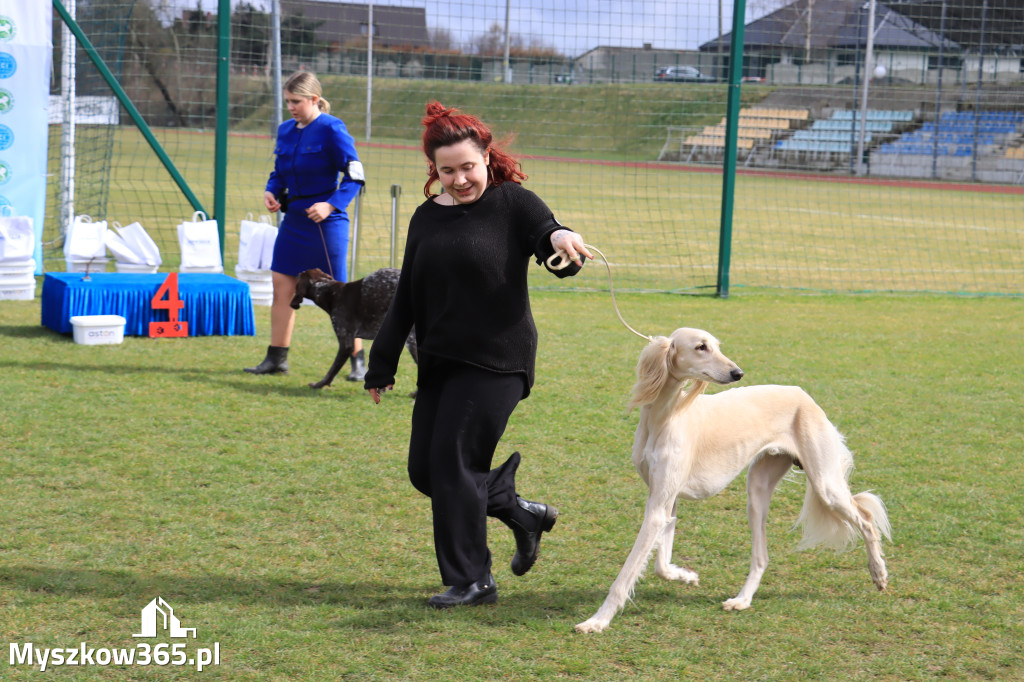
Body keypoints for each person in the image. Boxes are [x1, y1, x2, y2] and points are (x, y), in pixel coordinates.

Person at [363, 101, 592, 609]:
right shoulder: (425, 218)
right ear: (434, 170)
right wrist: (382, 362)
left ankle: (473, 581)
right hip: (440, 361)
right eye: (447, 170)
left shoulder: (514, 203)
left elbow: (548, 236)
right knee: (427, 472)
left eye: (468, 166)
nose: (460, 179)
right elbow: (407, 297)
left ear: (486, 156)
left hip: (498, 359)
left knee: (454, 462)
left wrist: (562, 238)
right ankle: (517, 510)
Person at [245, 71, 368, 379]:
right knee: (281, 286)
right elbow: (279, 170)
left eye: (296, 101)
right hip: (295, 219)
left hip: (327, 221)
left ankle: (358, 360)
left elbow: (355, 175)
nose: (291, 107)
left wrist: (331, 204)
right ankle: (276, 359)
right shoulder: (285, 130)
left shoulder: (332, 128)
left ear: (314, 99)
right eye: (288, 101)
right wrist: (272, 190)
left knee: (340, 294)